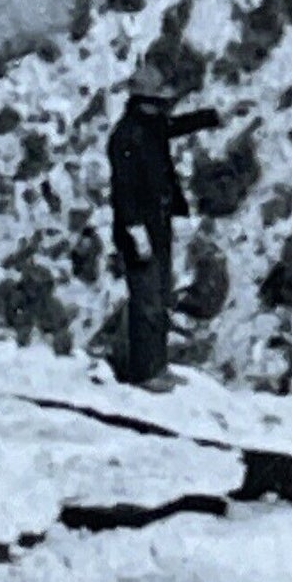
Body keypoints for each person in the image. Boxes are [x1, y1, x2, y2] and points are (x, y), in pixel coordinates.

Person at [106, 66, 217, 390]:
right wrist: (134, 230)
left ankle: (156, 365)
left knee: (159, 295)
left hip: (159, 222)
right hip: (138, 228)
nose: (162, 107)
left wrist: (209, 117)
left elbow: (174, 126)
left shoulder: (149, 126)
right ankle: (144, 372)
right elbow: (123, 190)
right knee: (147, 300)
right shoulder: (126, 136)